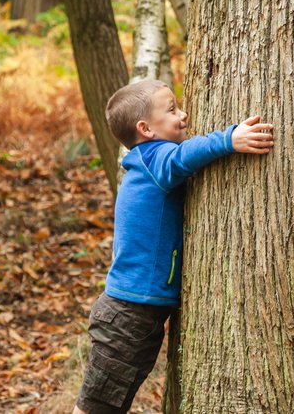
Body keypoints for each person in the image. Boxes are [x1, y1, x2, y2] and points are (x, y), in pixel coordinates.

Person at [74, 79, 276, 414]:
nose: (183, 115)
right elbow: (184, 156)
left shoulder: (148, 162)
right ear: (145, 128)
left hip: (134, 311)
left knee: (107, 405)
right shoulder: (155, 160)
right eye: (171, 110)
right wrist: (230, 139)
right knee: (97, 406)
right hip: (128, 313)